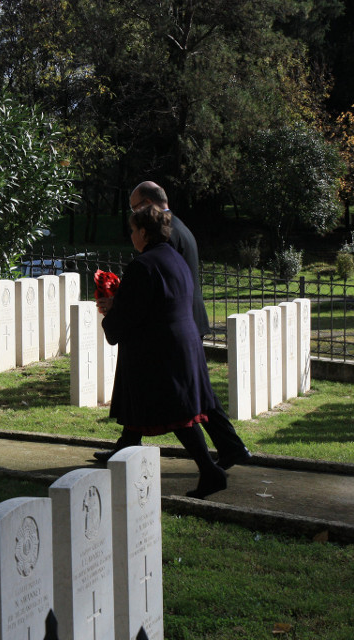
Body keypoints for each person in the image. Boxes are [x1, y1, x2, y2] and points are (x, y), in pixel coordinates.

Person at [94, 203, 227, 499]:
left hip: (161, 351)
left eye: (132, 230)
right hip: (182, 343)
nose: (131, 236)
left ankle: (210, 471)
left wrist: (110, 314)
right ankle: (122, 457)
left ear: (143, 231)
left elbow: (132, 313)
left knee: (180, 415)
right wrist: (121, 304)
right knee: (152, 410)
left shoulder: (143, 265)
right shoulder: (174, 259)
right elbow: (156, 301)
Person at [124, 181, 251, 470]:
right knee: (196, 391)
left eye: (135, 208)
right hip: (188, 321)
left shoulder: (166, 235)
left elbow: (163, 282)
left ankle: (228, 451)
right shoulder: (180, 226)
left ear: (148, 205)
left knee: (192, 394)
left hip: (178, 324)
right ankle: (126, 444)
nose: (132, 215)